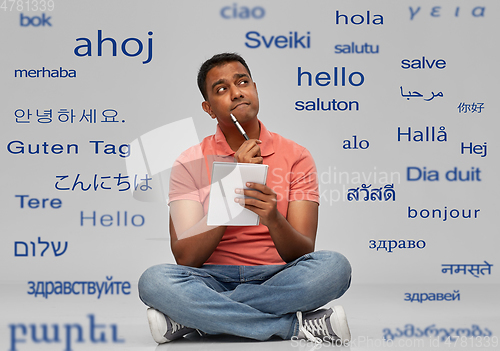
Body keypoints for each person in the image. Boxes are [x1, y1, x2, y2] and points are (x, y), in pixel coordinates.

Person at [138, 53, 352, 344]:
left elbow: (302, 252)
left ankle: (196, 318)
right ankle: (293, 327)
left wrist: (274, 218)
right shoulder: (189, 161)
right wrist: (233, 186)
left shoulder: (297, 156)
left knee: (335, 268)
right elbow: (186, 257)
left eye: (243, 82)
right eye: (221, 89)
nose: (237, 92)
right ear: (209, 109)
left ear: (255, 88)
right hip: (209, 279)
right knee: (154, 282)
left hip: (278, 276)